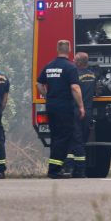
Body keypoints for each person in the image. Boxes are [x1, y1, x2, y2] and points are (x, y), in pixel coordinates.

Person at [36, 40, 84, 179]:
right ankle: (55, 170)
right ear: (69, 49)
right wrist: (81, 106)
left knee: (56, 137)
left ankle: (55, 168)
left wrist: (47, 95)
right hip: (64, 107)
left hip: (51, 106)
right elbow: (75, 87)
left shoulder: (49, 66)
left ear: (57, 49)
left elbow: (39, 83)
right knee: (64, 137)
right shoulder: (70, 67)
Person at [64, 52, 97, 178]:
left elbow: (72, 90)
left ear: (78, 62)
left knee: (75, 140)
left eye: (74, 59)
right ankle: (77, 169)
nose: (72, 61)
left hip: (76, 110)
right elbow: (96, 91)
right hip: (88, 111)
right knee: (82, 140)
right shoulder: (93, 75)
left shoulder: (74, 75)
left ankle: (75, 169)